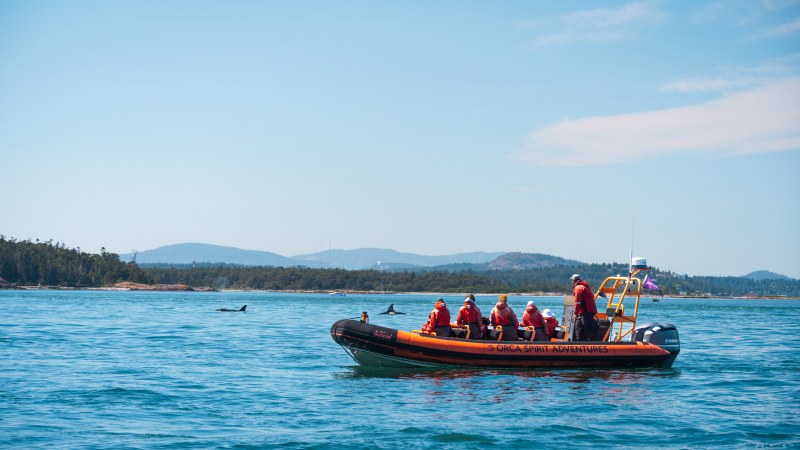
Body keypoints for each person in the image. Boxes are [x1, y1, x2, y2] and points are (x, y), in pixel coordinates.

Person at [571, 274, 598, 341]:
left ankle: (592, 342)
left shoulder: (579, 288)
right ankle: (579, 342)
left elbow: (578, 302)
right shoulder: (584, 286)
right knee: (578, 327)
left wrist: (575, 313)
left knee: (587, 327)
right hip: (583, 312)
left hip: (586, 311)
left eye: (572, 280)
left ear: (573, 281)